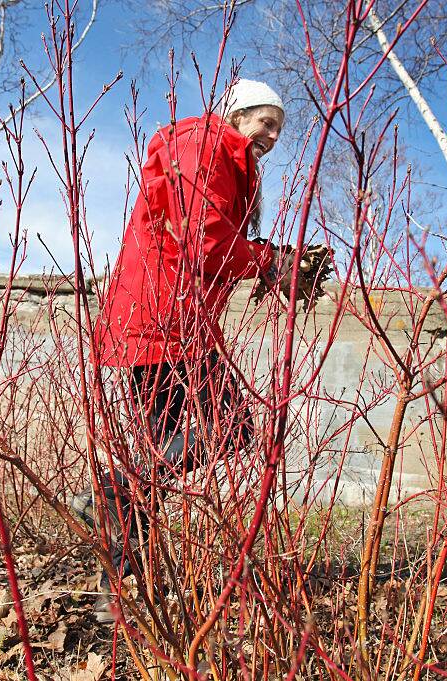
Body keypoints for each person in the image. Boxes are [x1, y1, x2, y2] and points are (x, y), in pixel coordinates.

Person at [77, 79, 287, 622]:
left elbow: (214, 237)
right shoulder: (201, 141)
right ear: (238, 114)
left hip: (176, 321)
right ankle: (118, 491)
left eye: (279, 129)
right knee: (229, 428)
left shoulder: (229, 157)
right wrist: (271, 263)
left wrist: (265, 256)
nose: (271, 135)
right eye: (265, 121)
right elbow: (207, 238)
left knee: (163, 449)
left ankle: (114, 587)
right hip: (163, 321)